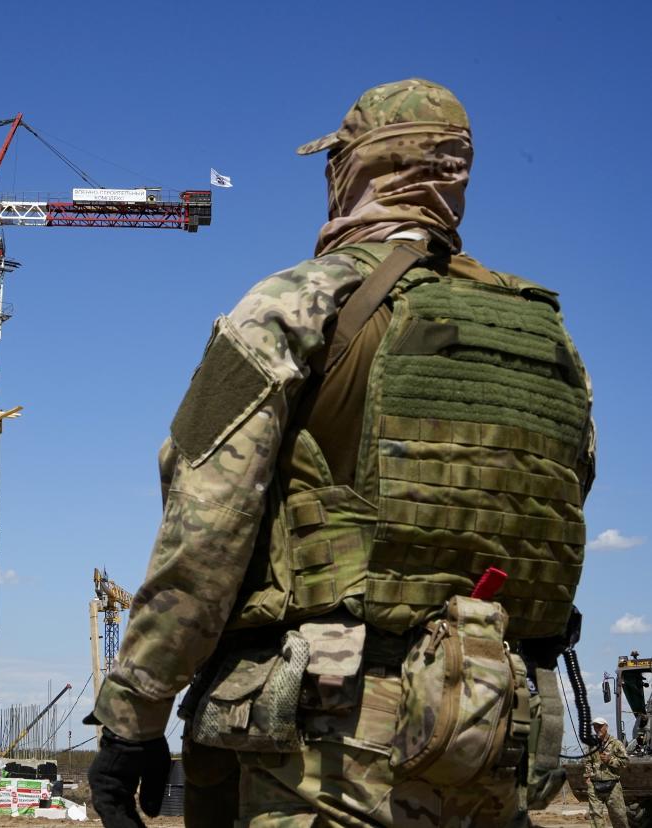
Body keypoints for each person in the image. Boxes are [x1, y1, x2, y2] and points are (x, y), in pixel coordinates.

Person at [86, 79, 596, 828]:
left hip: (324, 745)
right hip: (495, 735)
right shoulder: (549, 338)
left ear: (351, 172)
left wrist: (133, 716)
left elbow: (203, 529)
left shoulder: (297, 302)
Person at [584, 717, 628, 828]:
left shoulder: (616, 743)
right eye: (595, 726)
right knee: (596, 817)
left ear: (606, 727)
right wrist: (588, 777)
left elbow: (625, 762)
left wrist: (610, 760)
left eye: (599, 726)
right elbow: (587, 761)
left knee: (619, 817)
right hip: (594, 785)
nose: (597, 728)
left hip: (613, 785)